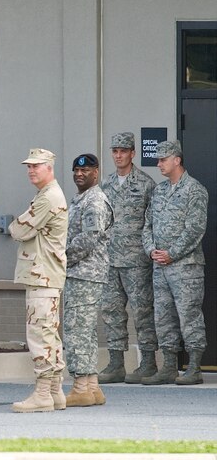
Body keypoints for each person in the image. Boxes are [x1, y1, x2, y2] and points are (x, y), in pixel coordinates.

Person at [141, 140, 209, 386]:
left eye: (163, 159)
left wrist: (172, 253)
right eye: (158, 159)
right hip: (160, 267)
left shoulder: (195, 190)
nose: (158, 164)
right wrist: (151, 251)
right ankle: (169, 366)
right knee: (163, 316)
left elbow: (195, 228)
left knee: (189, 314)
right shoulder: (158, 191)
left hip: (186, 267)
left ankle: (194, 366)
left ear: (177, 160)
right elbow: (146, 225)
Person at [9, 148, 68, 413]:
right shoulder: (46, 195)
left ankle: (43, 393)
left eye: (36, 166)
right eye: (28, 166)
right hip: (45, 274)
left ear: (49, 167)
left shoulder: (48, 198)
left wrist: (15, 225)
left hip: (42, 275)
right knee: (49, 332)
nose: (31, 170)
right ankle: (55, 392)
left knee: (39, 333)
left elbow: (19, 229)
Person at [98, 132, 158, 384]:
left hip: (137, 261)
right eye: (115, 151)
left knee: (142, 312)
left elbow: (153, 222)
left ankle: (148, 362)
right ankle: (115, 364)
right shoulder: (106, 184)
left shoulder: (146, 184)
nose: (118, 155)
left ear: (133, 153)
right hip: (110, 260)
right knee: (112, 312)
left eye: (123, 151)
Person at [62, 154, 113, 407]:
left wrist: (61, 258)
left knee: (77, 331)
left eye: (86, 170)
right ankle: (92, 386)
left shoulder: (94, 200)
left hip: (84, 273)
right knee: (86, 332)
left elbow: (88, 239)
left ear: (96, 172)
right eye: (76, 170)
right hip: (82, 273)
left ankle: (80, 387)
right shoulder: (82, 198)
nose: (80, 174)